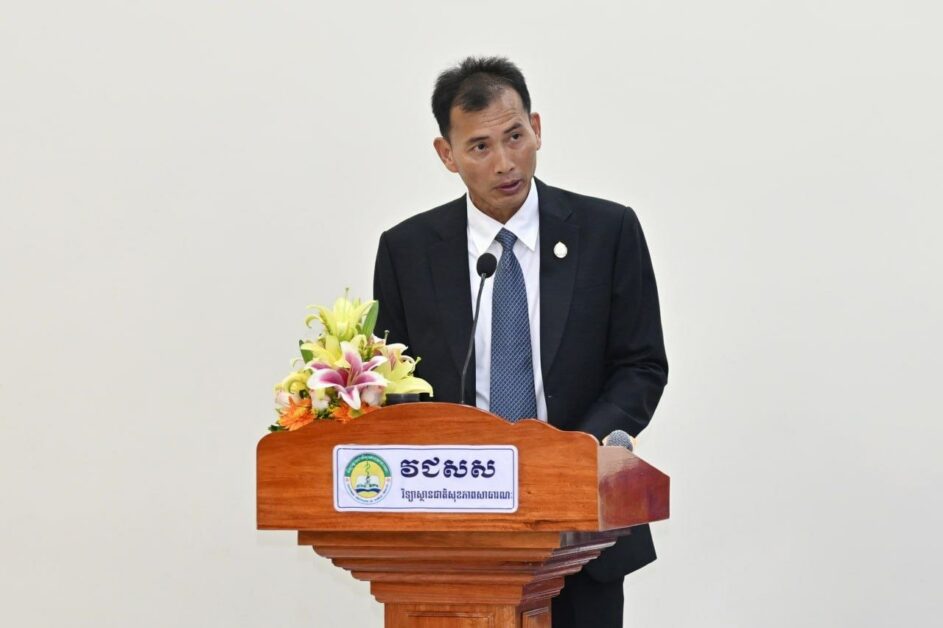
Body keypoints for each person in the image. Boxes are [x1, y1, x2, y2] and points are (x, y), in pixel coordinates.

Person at [372, 56, 668, 628]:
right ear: (447, 154)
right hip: (454, 532)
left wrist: (567, 455)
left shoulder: (607, 231)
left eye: (514, 136)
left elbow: (641, 365)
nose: (505, 162)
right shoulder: (407, 251)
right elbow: (394, 384)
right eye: (480, 147)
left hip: (580, 529)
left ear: (536, 128)